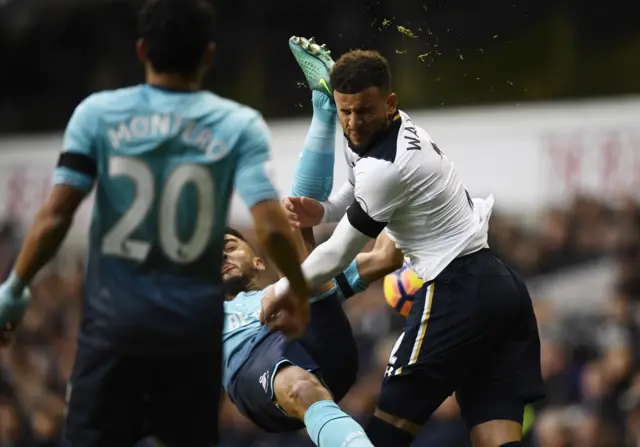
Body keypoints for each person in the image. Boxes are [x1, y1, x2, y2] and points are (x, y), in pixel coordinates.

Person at [0, 1, 309, 446]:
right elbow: (273, 225)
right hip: (191, 337)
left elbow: (55, 216)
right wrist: (297, 289)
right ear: (208, 54)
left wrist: (14, 290)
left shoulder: (96, 114)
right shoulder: (237, 125)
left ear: (142, 50)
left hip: (112, 330)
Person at [267, 36, 545, 447]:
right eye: (345, 112)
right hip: (499, 286)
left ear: (390, 101)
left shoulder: (389, 167)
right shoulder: (388, 130)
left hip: (457, 290)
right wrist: (323, 212)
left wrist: (278, 289)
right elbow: (356, 186)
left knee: (384, 433)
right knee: (496, 436)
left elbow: (336, 253)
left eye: (363, 111)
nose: (353, 123)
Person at [222, 226, 401, 447]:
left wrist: (397, 202)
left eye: (230, 247)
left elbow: (385, 257)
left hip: (328, 357)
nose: (221, 255)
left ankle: (302, 210)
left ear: (258, 262)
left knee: (302, 258)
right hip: (252, 364)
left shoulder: (285, 289)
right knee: (300, 388)